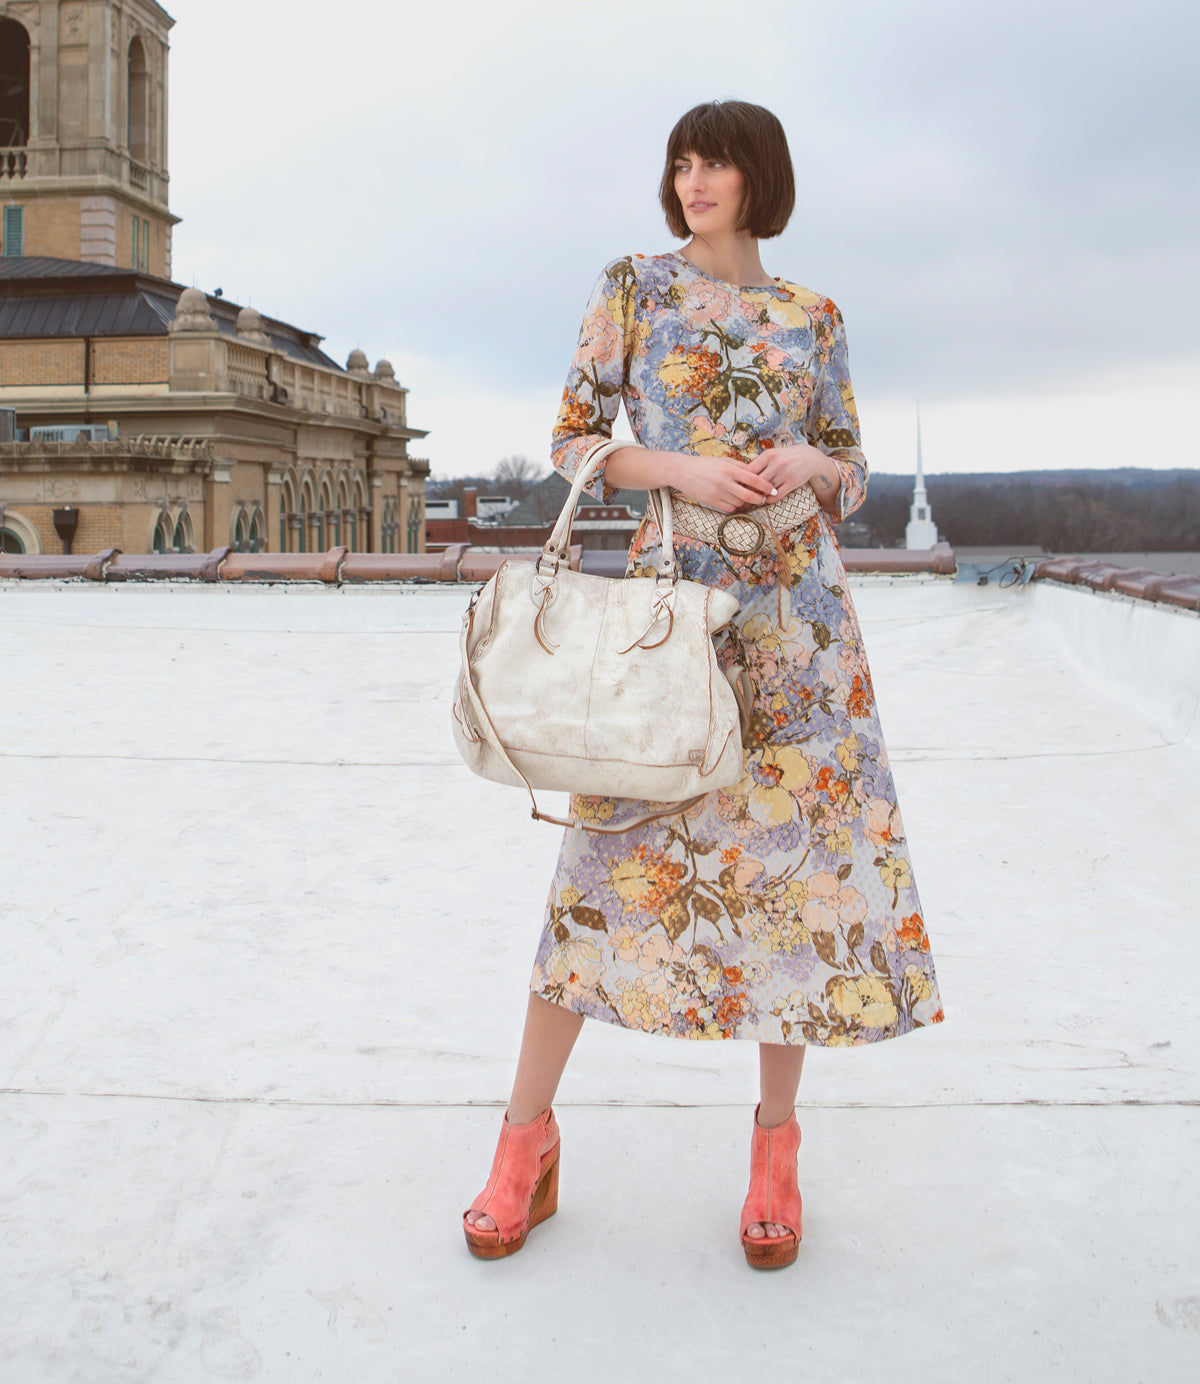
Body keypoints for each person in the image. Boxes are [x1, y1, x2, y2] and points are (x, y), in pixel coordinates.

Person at [463, 99, 944, 1269]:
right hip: (673, 615)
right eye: (681, 161)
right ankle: (523, 1143)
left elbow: (857, 469)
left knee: (799, 890)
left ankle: (775, 1154)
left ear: (757, 175)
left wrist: (817, 462)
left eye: (714, 160)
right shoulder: (633, 285)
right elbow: (575, 439)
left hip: (804, 627)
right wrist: (681, 469)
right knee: (599, 871)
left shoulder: (813, 314)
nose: (693, 178)